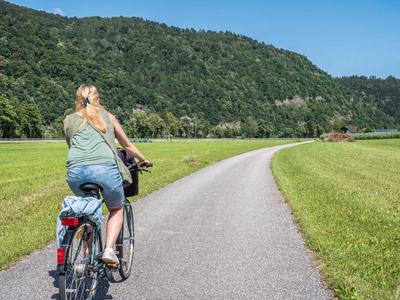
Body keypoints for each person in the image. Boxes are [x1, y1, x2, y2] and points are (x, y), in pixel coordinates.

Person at [63, 84, 149, 264]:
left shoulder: (68, 120)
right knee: (116, 208)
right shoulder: (108, 118)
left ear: (78, 100)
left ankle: (86, 257)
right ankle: (109, 250)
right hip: (105, 171)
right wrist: (142, 159)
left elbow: (73, 145)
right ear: (97, 99)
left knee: (85, 211)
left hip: (75, 172)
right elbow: (127, 146)